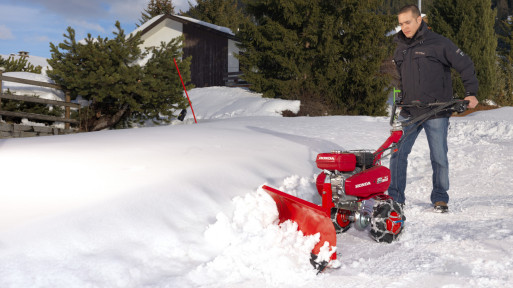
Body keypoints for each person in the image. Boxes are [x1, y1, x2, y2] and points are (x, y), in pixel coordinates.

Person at [388, 4, 479, 213]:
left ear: (419, 19)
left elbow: (465, 64)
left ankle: (440, 197)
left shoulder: (439, 43)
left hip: (436, 110)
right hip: (409, 110)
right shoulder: (400, 47)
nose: (404, 27)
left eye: (408, 22)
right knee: (397, 152)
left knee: (438, 156)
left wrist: (471, 92)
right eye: (401, 24)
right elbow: (403, 78)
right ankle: (395, 197)